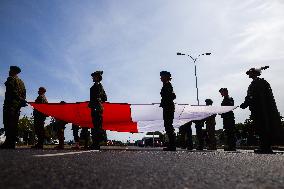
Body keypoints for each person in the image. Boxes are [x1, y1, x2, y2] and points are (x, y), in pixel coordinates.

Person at [240, 66, 282, 154]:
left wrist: (246, 103)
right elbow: (251, 97)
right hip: (258, 110)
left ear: (255, 73)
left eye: (250, 73)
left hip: (261, 110)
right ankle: (264, 146)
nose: (249, 75)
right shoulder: (256, 83)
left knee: (263, 128)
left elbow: (255, 97)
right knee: (261, 128)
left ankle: (265, 147)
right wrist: (246, 103)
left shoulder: (259, 83)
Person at [1, 66, 26, 149]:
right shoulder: (21, 82)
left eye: (10, 70)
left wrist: (19, 99)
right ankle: (11, 143)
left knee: (8, 124)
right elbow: (24, 94)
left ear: (13, 71)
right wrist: (21, 101)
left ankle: (8, 143)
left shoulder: (11, 79)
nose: (9, 71)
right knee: (14, 125)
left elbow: (11, 90)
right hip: (17, 106)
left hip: (10, 105)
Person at [89, 71, 107, 150]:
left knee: (97, 126)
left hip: (97, 108)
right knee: (95, 126)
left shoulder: (99, 87)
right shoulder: (94, 87)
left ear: (98, 77)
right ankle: (96, 143)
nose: (92, 78)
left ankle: (97, 143)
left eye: (94, 76)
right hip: (94, 107)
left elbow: (105, 98)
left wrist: (98, 101)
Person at [160, 71, 176, 151]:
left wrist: (165, 101)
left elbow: (173, 96)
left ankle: (172, 145)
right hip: (167, 107)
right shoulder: (166, 85)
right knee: (168, 126)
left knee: (169, 126)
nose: (161, 78)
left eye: (162, 76)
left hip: (168, 107)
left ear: (166, 77)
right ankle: (171, 145)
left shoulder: (168, 85)